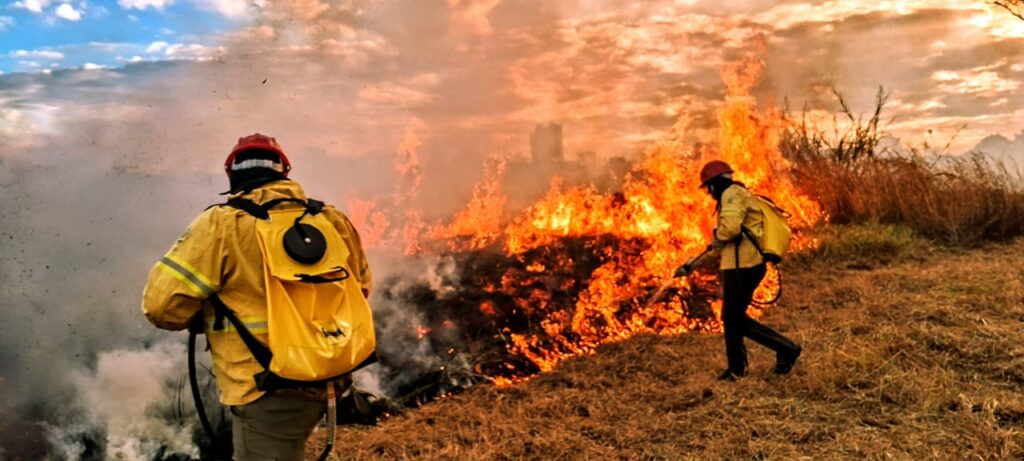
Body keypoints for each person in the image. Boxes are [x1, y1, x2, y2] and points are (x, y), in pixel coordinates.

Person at [141, 133, 373, 460]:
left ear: (231, 175)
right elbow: (360, 289)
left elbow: (160, 307)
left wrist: (204, 310)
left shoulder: (221, 224)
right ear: (285, 171)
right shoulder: (332, 219)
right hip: (331, 374)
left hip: (265, 384)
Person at [675, 160, 801, 381]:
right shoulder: (734, 196)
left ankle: (786, 348)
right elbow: (721, 244)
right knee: (732, 318)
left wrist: (717, 235)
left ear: (714, 184)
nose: (708, 194)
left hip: (744, 267)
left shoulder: (731, 194)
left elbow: (730, 231)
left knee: (734, 319)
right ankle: (737, 369)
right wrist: (691, 265)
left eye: (708, 188)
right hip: (739, 266)